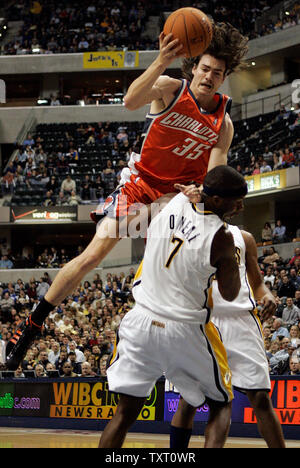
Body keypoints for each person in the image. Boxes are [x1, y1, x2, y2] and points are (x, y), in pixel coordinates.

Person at [5, 23, 249, 371]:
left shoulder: (223, 123)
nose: (209, 77)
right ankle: (32, 325)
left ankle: (192, 349)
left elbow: (215, 175)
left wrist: (204, 192)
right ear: (194, 68)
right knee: (93, 256)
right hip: (140, 186)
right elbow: (131, 100)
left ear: (223, 78)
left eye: (217, 73)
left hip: (178, 201)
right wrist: (161, 60)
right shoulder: (169, 88)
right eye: (205, 69)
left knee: (188, 267)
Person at [98, 166, 247, 449]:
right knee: (221, 403)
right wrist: (232, 260)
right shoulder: (222, 237)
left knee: (123, 414)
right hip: (184, 328)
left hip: (140, 322)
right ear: (215, 200)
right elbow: (230, 294)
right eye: (236, 200)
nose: (241, 206)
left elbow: (143, 222)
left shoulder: (171, 200)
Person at [169, 226, 286, 449]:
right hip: (203, 321)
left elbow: (258, 284)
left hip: (241, 320)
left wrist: (268, 295)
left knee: (260, 398)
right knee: (188, 401)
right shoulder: (189, 232)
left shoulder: (245, 237)